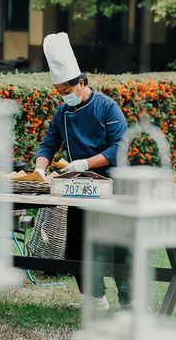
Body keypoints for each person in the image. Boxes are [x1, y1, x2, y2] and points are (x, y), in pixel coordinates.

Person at [34, 32, 130, 311]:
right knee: (77, 243)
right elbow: (47, 144)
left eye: (67, 92)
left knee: (119, 244)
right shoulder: (62, 113)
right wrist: (40, 169)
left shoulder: (107, 107)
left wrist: (86, 162)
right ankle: (94, 298)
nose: (64, 97)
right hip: (79, 187)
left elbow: (120, 147)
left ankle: (130, 300)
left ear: (81, 83)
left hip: (112, 184)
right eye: (59, 93)